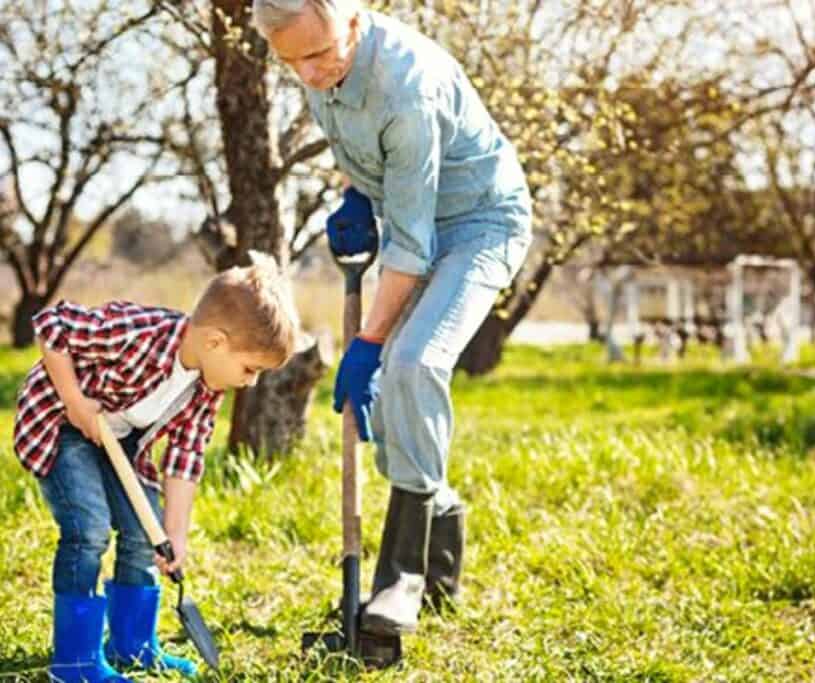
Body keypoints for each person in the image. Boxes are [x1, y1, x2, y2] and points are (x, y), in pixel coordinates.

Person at [253, 0, 533, 636]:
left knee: (413, 362)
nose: (311, 73)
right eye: (291, 60)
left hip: (479, 224)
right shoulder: (314, 61)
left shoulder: (408, 84)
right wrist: (356, 193)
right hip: (418, 217)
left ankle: (400, 576)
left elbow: (409, 245)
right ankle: (440, 556)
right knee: (393, 402)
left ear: (356, 20)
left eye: (321, 53)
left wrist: (369, 343)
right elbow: (362, 147)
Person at [13, 253, 300, 681]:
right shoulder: (137, 332)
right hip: (63, 421)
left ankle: (131, 644)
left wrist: (174, 535)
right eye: (250, 368)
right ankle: (74, 662)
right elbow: (53, 325)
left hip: (120, 441)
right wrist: (75, 402)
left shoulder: (206, 388)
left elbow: (186, 459)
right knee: (89, 528)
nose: (251, 381)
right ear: (216, 342)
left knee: (144, 534)